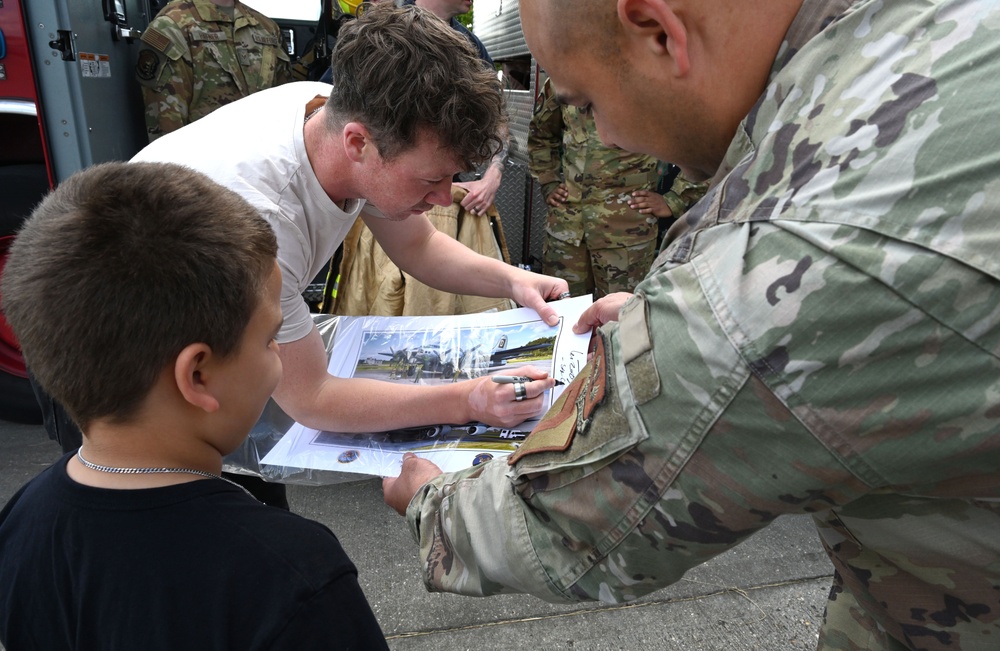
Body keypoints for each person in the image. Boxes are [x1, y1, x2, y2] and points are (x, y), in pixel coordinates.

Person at [383, 1, 1000, 650]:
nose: (610, 137)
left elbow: (576, 520)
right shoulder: (921, 30)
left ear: (658, 32)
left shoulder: (797, 255)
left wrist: (433, 502)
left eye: (588, 103)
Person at [132, 4, 567, 499]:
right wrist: (471, 399)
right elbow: (312, 397)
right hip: (141, 389)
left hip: (213, 345)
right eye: (431, 178)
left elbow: (418, 244)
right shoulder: (260, 222)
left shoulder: (331, 112)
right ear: (357, 143)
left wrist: (512, 280)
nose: (447, 198)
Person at [0, 162, 388, 649]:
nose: (277, 364)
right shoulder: (292, 575)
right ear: (198, 375)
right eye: (271, 341)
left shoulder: (22, 520)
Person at [529, 76, 661, 297]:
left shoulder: (650, 75)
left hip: (625, 233)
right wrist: (548, 181)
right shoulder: (563, 77)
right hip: (567, 231)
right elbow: (541, 133)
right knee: (562, 315)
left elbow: (700, 139)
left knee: (620, 320)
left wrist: (676, 198)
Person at [400, 0, 508, 217]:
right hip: (381, 200)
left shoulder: (470, 45)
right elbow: (333, 104)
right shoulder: (384, 31)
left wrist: (493, 175)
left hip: (443, 195)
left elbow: (498, 116)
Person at [135, 0, 291, 141]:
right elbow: (166, 126)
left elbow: (286, 109)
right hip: (203, 165)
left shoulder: (266, 27)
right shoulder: (172, 26)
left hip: (265, 159)